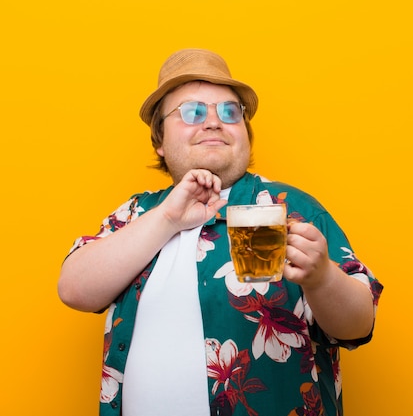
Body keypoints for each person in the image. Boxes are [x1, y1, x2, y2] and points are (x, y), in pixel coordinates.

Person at [58, 48, 383, 416]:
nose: (213, 122)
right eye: (193, 111)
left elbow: (358, 325)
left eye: (230, 112)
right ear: (160, 141)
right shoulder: (136, 213)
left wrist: (322, 277)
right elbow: (74, 289)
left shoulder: (293, 208)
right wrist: (167, 218)